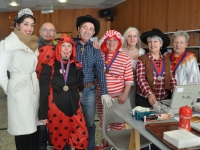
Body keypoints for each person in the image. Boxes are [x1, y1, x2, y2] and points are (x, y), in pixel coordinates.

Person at [38, 34, 88, 150]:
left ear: (72, 49)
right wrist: (43, 114)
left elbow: (80, 87)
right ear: (59, 48)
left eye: (69, 46)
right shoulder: (50, 65)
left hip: (74, 107)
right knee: (60, 141)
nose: (66, 49)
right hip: (56, 109)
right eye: (63, 46)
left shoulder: (76, 66)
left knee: (82, 134)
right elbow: (44, 91)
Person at [0, 8, 40, 150]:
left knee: (34, 127)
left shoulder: (33, 42)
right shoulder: (7, 44)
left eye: (32, 24)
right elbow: (1, 73)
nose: (29, 28)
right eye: (25, 24)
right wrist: (11, 90)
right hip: (19, 89)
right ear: (17, 25)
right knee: (22, 129)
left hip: (33, 87)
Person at [75, 15, 113, 150]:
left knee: (90, 123)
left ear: (93, 33)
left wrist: (104, 92)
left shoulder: (96, 48)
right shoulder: (70, 45)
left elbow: (99, 71)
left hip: (89, 91)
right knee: (72, 122)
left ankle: (89, 148)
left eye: (91, 29)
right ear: (79, 29)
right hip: (72, 91)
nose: (87, 31)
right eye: (85, 27)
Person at [96, 30, 134, 150]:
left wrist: (125, 94)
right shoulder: (99, 55)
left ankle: (117, 145)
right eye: (109, 40)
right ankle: (105, 143)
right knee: (104, 121)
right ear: (104, 42)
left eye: (114, 40)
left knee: (118, 122)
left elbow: (129, 79)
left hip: (119, 97)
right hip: (101, 96)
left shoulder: (125, 58)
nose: (111, 43)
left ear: (118, 42)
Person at [136, 28, 177, 108]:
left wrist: (176, 93)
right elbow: (141, 79)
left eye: (155, 41)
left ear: (161, 44)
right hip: (145, 100)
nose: (152, 44)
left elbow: (172, 78)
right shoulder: (142, 59)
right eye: (150, 42)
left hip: (164, 100)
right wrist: (149, 94)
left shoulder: (167, 60)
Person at [37, 22, 56, 150]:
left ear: (55, 33)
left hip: (54, 91)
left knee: (54, 119)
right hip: (36, 90)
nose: (48, 32)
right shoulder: (32, 48)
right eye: (45, 30)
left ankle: (52, 141)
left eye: (51, 30)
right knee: (41, 121)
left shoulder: (59, 48)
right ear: (40, 32)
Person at [122, 27, 145, 109]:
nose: (132, 38)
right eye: (129, 36)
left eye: (134, 36)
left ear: (138, 38)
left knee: (132, 106)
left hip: (136, 84)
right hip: (122, 84)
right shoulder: (120, 51)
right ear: (126, 38)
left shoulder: (141, 52)